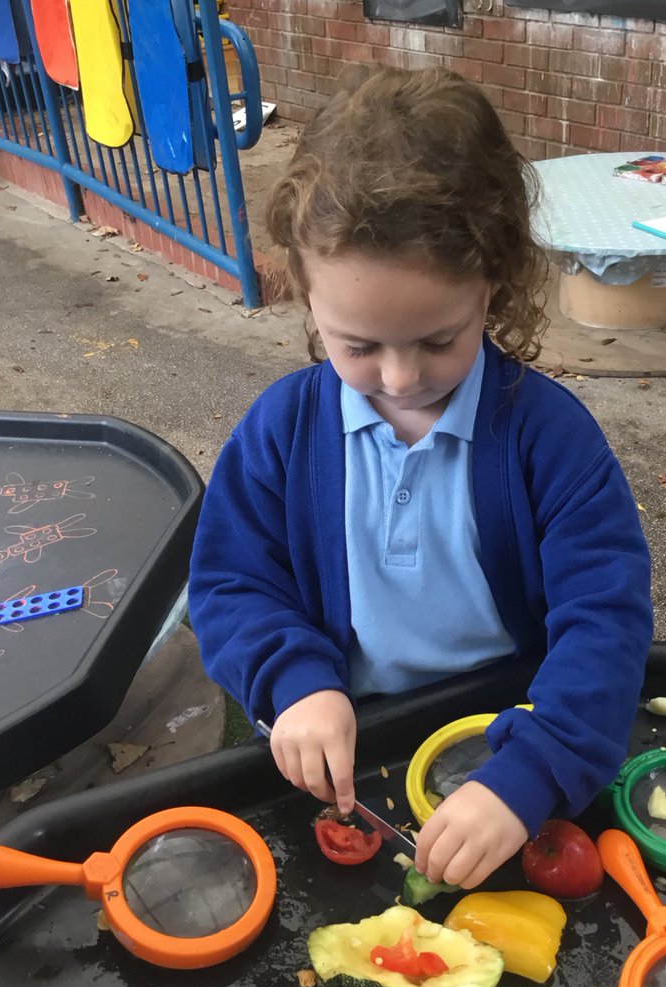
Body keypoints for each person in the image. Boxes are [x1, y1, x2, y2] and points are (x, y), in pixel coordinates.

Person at [189, 65, 652, 889]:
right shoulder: (279, 432)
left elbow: (605, 624)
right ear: (305, 296)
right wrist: (292, 686)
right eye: (357, 345)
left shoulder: (549, 441)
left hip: (507, 744)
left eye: (438, 340)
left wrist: (535, 768)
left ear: (493, 286)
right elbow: (230, 582)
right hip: (340, 750)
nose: (400, 379)